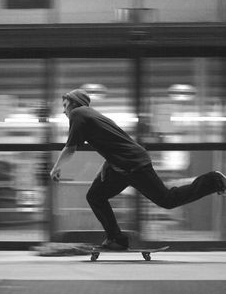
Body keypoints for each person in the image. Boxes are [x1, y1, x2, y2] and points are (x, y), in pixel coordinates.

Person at [50, 89, 226, 250]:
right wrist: (107, 164)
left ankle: (213, 180)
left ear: (74, 103)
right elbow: (114, 142)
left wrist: (56, 168)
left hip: (134, 164)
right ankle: (116, 239)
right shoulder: (91, 116)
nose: (64, 110)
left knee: (167, 200)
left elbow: (70, 148)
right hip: (121, 166)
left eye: (65, 106)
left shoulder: (78, 114)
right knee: (95, 196)